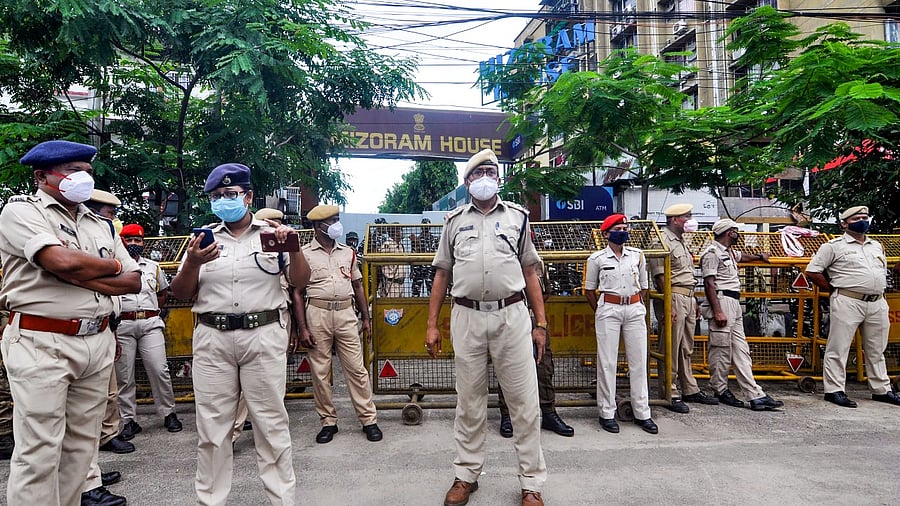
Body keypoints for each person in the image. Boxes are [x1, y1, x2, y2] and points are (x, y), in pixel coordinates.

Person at [0, 140, 142, 506]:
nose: (81, 178)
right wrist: (106, 267)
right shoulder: (21, 212)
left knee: (81, 448)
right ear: (42, 176)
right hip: (41, 339)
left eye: (87, 171)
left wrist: (84, 273)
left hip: (96, 340)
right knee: (40, 451)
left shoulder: (102, 225)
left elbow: (133, 281)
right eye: (71, 171)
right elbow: (61, 262)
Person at [169, 163, 310, 505]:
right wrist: (192, 262)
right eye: (217, 196)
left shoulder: (273, 235)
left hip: (262, 336)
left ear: (248, 196)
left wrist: (292, 247)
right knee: (213, 430)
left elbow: (301, 281)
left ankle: (281, 500)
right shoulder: (201, 240)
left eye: (231, 194)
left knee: (271, 425)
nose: (223, 200)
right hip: (212, 339)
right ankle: (211, 500)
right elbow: (181, 292)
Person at [426, 148, 547, 506]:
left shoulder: (518, 218)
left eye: (491, 172)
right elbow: (441, 274)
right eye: (478, 174)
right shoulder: (453, 222)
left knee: (524, 403)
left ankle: (531, 483)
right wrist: (432, 324)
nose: (485, 179)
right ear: (467, 182)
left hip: (512, 316)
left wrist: (540, 323)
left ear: (498, 178)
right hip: (466, 317)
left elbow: (530, 271)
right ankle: (466, 475)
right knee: (469, 402)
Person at [296, 205, 382, 445]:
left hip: (346, 313)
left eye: (337, 219)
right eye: (332, 220)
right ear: (317, 226)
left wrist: (365, 318)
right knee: (321, 372)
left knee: (356, 368)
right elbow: (298, 292)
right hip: (317, 313)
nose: (336, 225)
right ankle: (328, 422)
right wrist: (301, 327)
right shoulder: (304, 254)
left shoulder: (348, 252)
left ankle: (368, 419)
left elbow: (358, 286)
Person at [805, 206, 900, 408]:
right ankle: (834, 390)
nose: (863, 220)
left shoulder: (876, 245)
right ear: (844, 223)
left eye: (865, 217)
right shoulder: (833, 246)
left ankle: (881, 389)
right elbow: (813, 271)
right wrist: (833, 290)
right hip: (848, 299)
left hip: (876, 301)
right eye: (857, 218)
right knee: (838, 347)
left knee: (877, 348)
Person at [699, 219, 783, 411]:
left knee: (740, 349)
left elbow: (741, 257)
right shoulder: (712, 253)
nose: (738, 234)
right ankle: (719, 389)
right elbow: (709, 283)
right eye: (736, 231)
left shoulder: (727, 252)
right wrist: (718, 310)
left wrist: (759, 256)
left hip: (734, 302)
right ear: (729, 233)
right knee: (720, 348)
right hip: (722, 300)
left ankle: (755, 394)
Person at [584, 214, 657, 435]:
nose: (622, 231)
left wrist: (633, 303)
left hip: (634, 308)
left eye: (625, 227)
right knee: (607, 362)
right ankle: (607, 412)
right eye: (618, 228)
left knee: (639, 361)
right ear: (606, 233)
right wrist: (602, 309)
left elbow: (644, 286)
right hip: (609, 307)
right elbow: (589, 290)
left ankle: (642, 412)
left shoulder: (637, 255)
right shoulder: (596, 259)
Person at [83, 190, 133, 506]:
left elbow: (132, 281)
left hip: (102, 329)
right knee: (65, 421)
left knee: (89, 415)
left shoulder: (107, 234)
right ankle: (84, 484)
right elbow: (71, 272)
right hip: (59, 336)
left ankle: (90, 479)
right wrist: (111, 270)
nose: (112, 216)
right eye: (108, 211)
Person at [649, 203, 719, 413]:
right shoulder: (661, 241)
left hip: (687, 297)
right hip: (673, 297)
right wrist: (668, 302)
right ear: (673, 219)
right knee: (670, 345)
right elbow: (660, 277)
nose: (689, 220)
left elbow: (688, 276)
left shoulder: (681, 242)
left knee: (686, 346)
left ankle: (689, 388)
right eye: (686, 216)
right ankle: (669, 390)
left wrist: (694, 300)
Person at [115, 223, 182, 440]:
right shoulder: (114, 266)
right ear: (121, 241)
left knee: (158, 369)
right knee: (124, 376)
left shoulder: (152, 266)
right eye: (129, 240)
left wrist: (154, 310)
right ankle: (128, 420)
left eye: (138, 240)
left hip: (150, 323)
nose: (133, 244)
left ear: (143, 243)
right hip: (122, 324)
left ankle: (168, 413)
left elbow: (163, 292)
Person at [497, 260, 574, 438]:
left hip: (534, 319)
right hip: (509, 320)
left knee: (544, 365)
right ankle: (507, 415)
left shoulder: (538, 263)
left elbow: (545, 291)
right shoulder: (502, 260)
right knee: (508, 366)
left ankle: (548, 412)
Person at [231, 207, 288, 444]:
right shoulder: (246, 249)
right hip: (246, 323)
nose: (275, 229)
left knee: (272, 384)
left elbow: (294, 290)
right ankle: (233, 432)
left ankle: (269, 432)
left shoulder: (284, 249)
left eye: (279, 223)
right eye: (270, 223)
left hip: (278, 319)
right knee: (245, 388)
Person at [410, 218, 439, 297]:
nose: (426, 227)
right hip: (418, 269)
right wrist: (412, 270)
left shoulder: (435, 239)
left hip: (431, 268)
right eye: (424, 225)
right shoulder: (416, 239)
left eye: (427, 225)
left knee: (432, 291)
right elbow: (412, 254)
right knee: (416, 292)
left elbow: (438, 254)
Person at [378, 223, 408, 297]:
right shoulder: (387, 245)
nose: (401, 232)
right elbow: (380, 263)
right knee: (391, 307)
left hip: (401, 283)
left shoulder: (401, 245)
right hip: (391, 283)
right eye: (399, 230)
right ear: (395, 232)